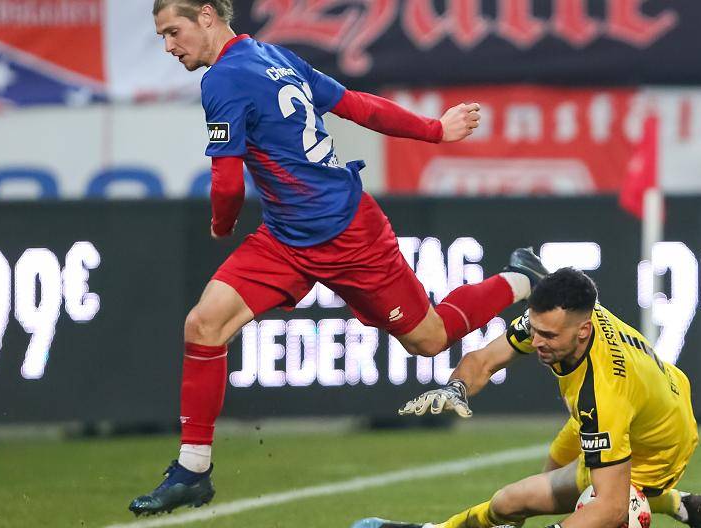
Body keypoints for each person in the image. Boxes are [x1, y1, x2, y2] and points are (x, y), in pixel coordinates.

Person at [130, 0, 548, 516]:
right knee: (204, 324)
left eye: (174, 31)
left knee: (431, 338)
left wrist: (221, 225)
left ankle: (520, 278)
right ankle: (192, 470)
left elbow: (228, 183)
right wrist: (434, 129)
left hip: (349, 236)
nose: (169, 46)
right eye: (163, 36)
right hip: (287, 238)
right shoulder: (275, 57)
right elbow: (356, 105)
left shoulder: (222, 79)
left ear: (208, 16)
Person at [355, 268, 701, 528]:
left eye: (548, 336)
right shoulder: (560, 318)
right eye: (534, 330)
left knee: (607, 510)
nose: (536, 342)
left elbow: (611, 507)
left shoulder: (603, 395)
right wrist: (457, 388)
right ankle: (688, 506)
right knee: (509, 503)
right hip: (648, 399)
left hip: (658, 445)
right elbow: (483, 360)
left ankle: (672, 499)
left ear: (583, 332)